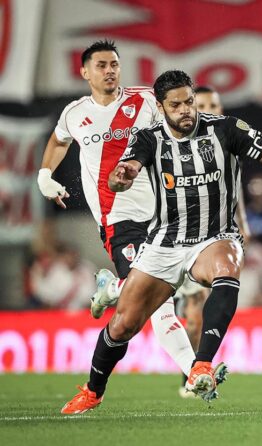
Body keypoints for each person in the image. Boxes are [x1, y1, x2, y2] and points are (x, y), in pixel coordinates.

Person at [60, 69, 262, 414]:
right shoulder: (148, 138)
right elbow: (126, 171)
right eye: (175, 105)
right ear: (160, 108)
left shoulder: (225, 129)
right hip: (164, 241)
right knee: (123, 325)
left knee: (227, 266)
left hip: (214, 236)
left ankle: (202, 364)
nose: (185, 110)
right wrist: (123, 176)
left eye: (189, 101)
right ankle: (93, 389)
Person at [36, 40, 210, 398]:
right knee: (156, 302)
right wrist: (44, 174)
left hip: (164, 213)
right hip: (118, 218)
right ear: (85, 72)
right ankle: (194, 373)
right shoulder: (74, 113)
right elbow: (58, 141)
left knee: (158, 300)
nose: (110, 70)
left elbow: (180, 125)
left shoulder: (146, 101)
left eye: (114, 64)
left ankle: (112, 290)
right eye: (101, 65)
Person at [174, 85, 252, 398]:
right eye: (201, 103)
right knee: (193, 319)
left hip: (220, 237)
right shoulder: (176, 143)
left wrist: (242, 223)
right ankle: (190, 371)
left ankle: (198, 369)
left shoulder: (228, 142)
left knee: (211, 305)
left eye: (213, 104)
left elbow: (236, 190)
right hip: (184, 239)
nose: (207, 109)